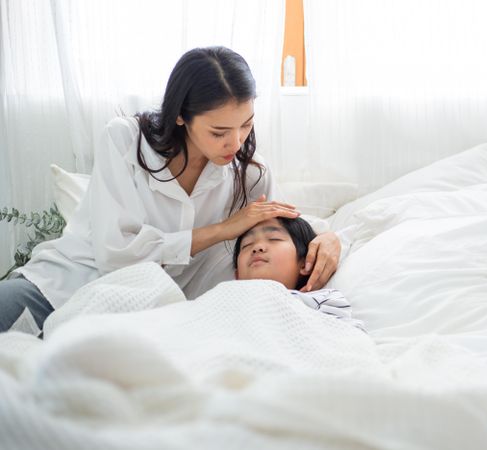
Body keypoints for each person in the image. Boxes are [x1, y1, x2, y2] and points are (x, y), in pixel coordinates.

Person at [0, 46, 342, 334]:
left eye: (246, 124)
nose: (236, 143)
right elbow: (115, 254)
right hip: (63, 289)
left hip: (153, 319)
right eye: (219, 131)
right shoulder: (125, 140)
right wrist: (221, 230)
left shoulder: (249, 176)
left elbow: (288, 228)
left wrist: (330, 239)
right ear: (180, 116)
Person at [233, 216, 363, 330]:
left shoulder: (321, 301)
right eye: (247, 245)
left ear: (306, 262)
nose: (257, 247)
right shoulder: (226, 299)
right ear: (237, 275)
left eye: (274, 239)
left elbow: (348, 338)